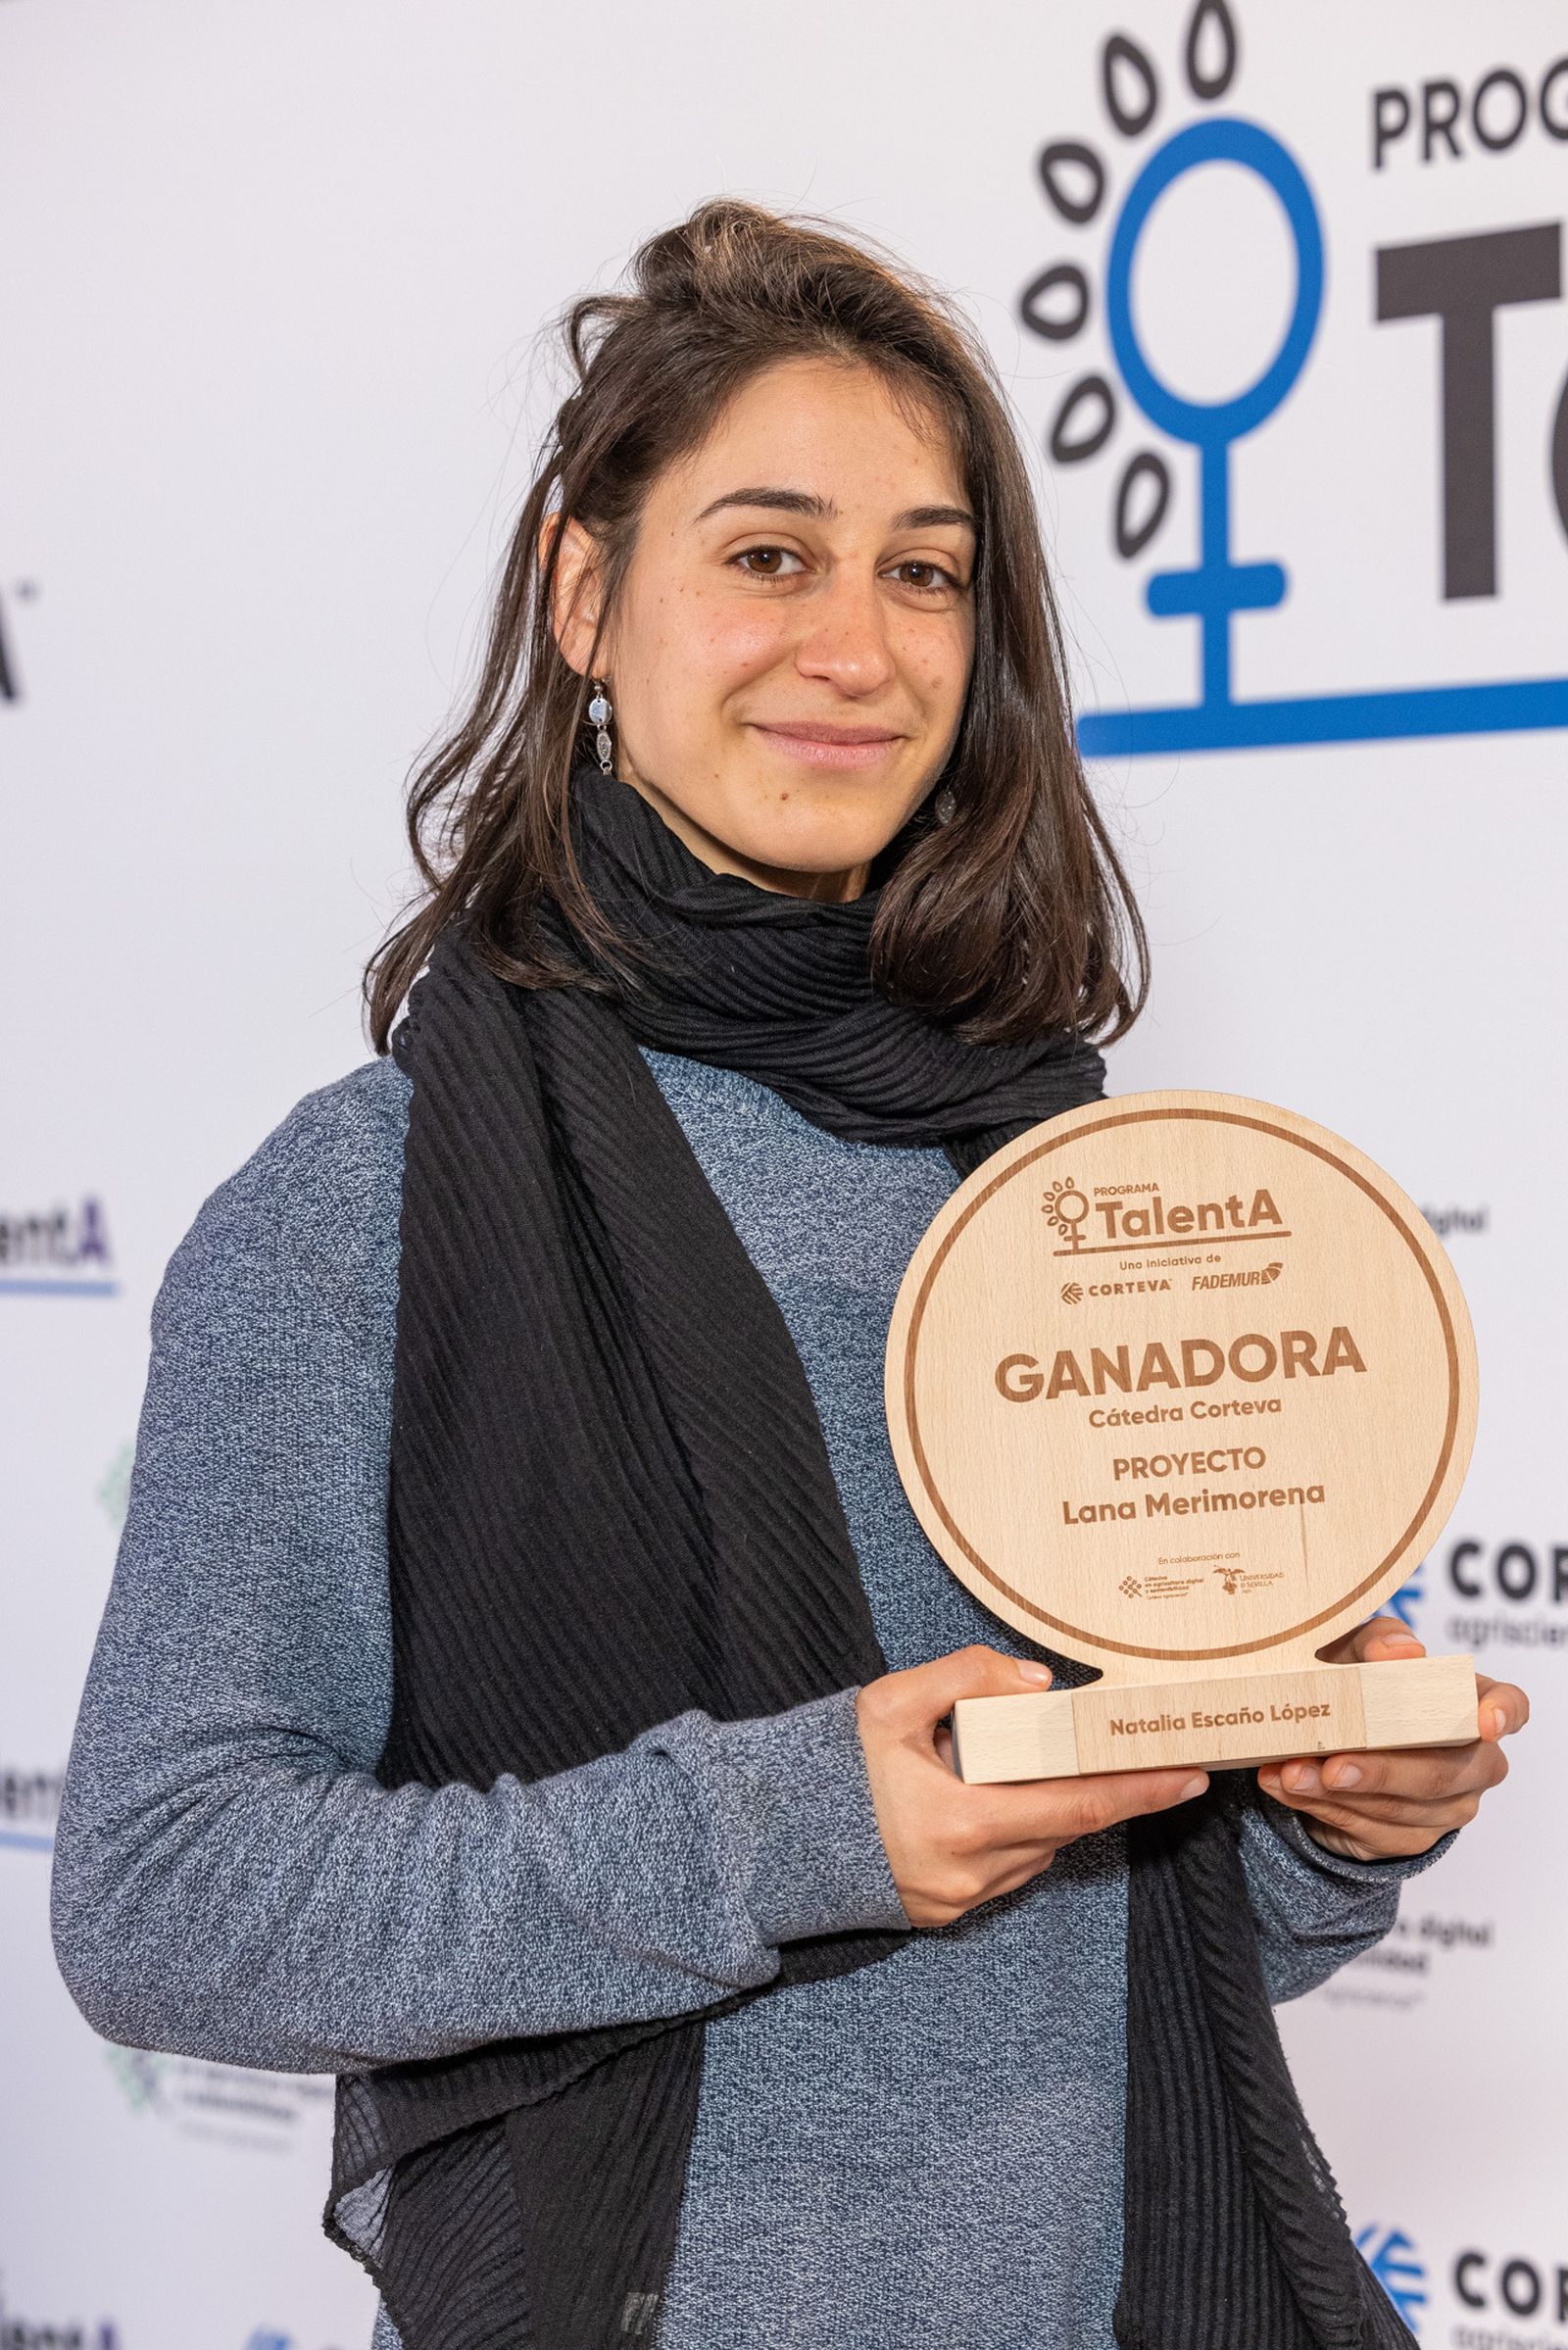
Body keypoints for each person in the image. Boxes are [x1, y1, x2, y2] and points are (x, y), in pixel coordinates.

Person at [51, 199, 1525, 2350]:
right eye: (767, 553)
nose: (857, 644)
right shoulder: (367, 1205)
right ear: (585, 591)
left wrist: (1325, 1817)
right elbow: (162, 1894)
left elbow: (1126, 1958)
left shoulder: (1063, 1181)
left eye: (923, 569)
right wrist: (787, 1821)